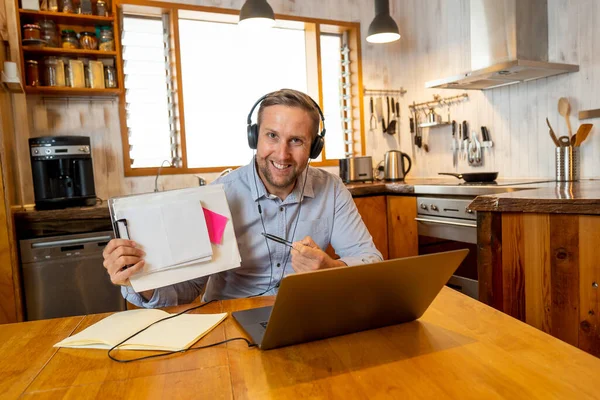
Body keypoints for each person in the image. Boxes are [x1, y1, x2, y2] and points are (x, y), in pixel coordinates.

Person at [102, 89, 383, 307]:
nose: (282, 154)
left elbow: (370, 260)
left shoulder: (331, 190)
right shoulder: (220, 196)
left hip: (305, 314)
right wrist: (139, 280)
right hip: (232, 317)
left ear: (314, 147)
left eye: (296, 141)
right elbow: (189, 290)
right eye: (272, 136)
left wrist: (331, 269)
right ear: (254, 137)